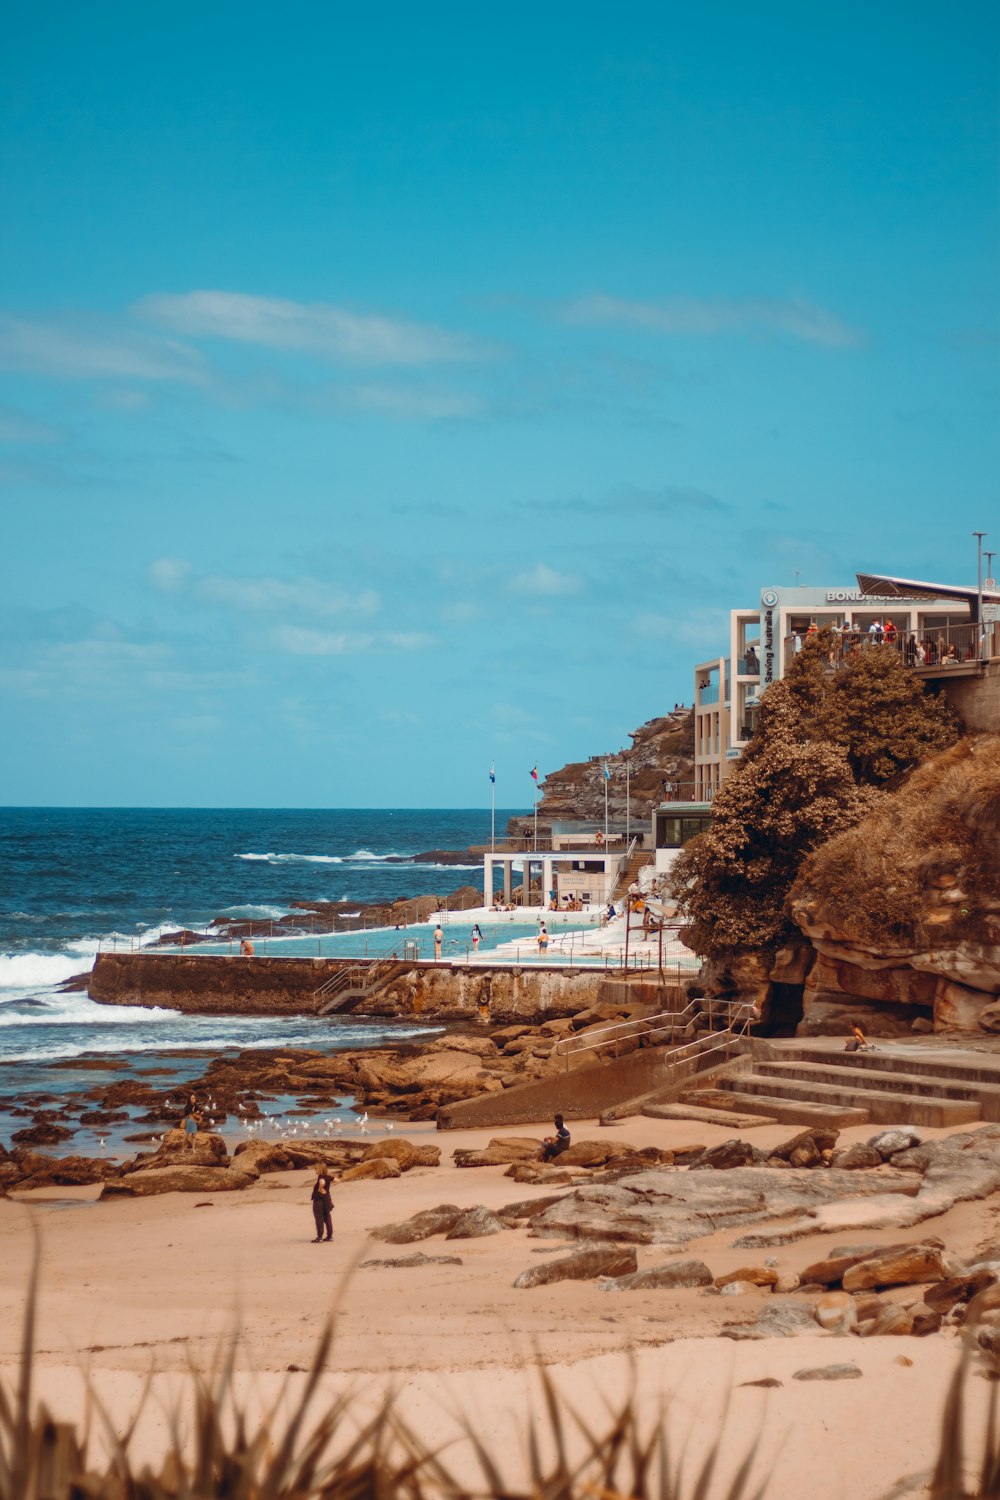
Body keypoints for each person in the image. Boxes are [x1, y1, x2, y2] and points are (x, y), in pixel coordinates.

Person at [310, 1163, 334, 1242]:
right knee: (327, 1217)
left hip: (319, 1200)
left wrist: (320, 1189)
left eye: (316, 1169)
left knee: (319, 1218)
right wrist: (326, 1190)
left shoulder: (321, 1177)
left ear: (320, 1169)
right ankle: (330, 1236)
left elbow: (322, 1182)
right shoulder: (329, 1177)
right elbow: (338, 1180)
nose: (315, 1170)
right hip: (327, 1199)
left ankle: (319, 1237)